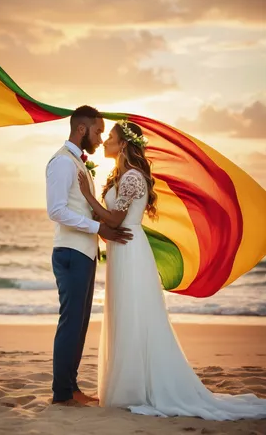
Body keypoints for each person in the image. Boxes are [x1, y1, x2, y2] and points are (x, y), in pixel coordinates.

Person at [78, 120, 266, 420]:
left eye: (110, 137)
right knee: (123, 314)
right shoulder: (119, 177)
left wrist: (87, 196)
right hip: (120, 248)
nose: (104, 142)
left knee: (134, 314)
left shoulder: (133, 178)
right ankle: (127, 386)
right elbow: (110, 224)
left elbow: (114, 220)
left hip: (130, 251)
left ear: (124, 143)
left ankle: (137, 389)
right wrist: (101, 226)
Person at [46, 106, 133, 406]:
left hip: (84, 253)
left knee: (80, 322)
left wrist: (98, 231)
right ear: (81, 130)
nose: (99, 138)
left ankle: (71, 388)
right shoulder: (62, 163)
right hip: (70, 253)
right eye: (97, 131)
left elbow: (81, 207)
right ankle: (61, 393)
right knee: (71, 322)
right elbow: (56, 211)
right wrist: (99, 228)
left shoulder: (77, 163)